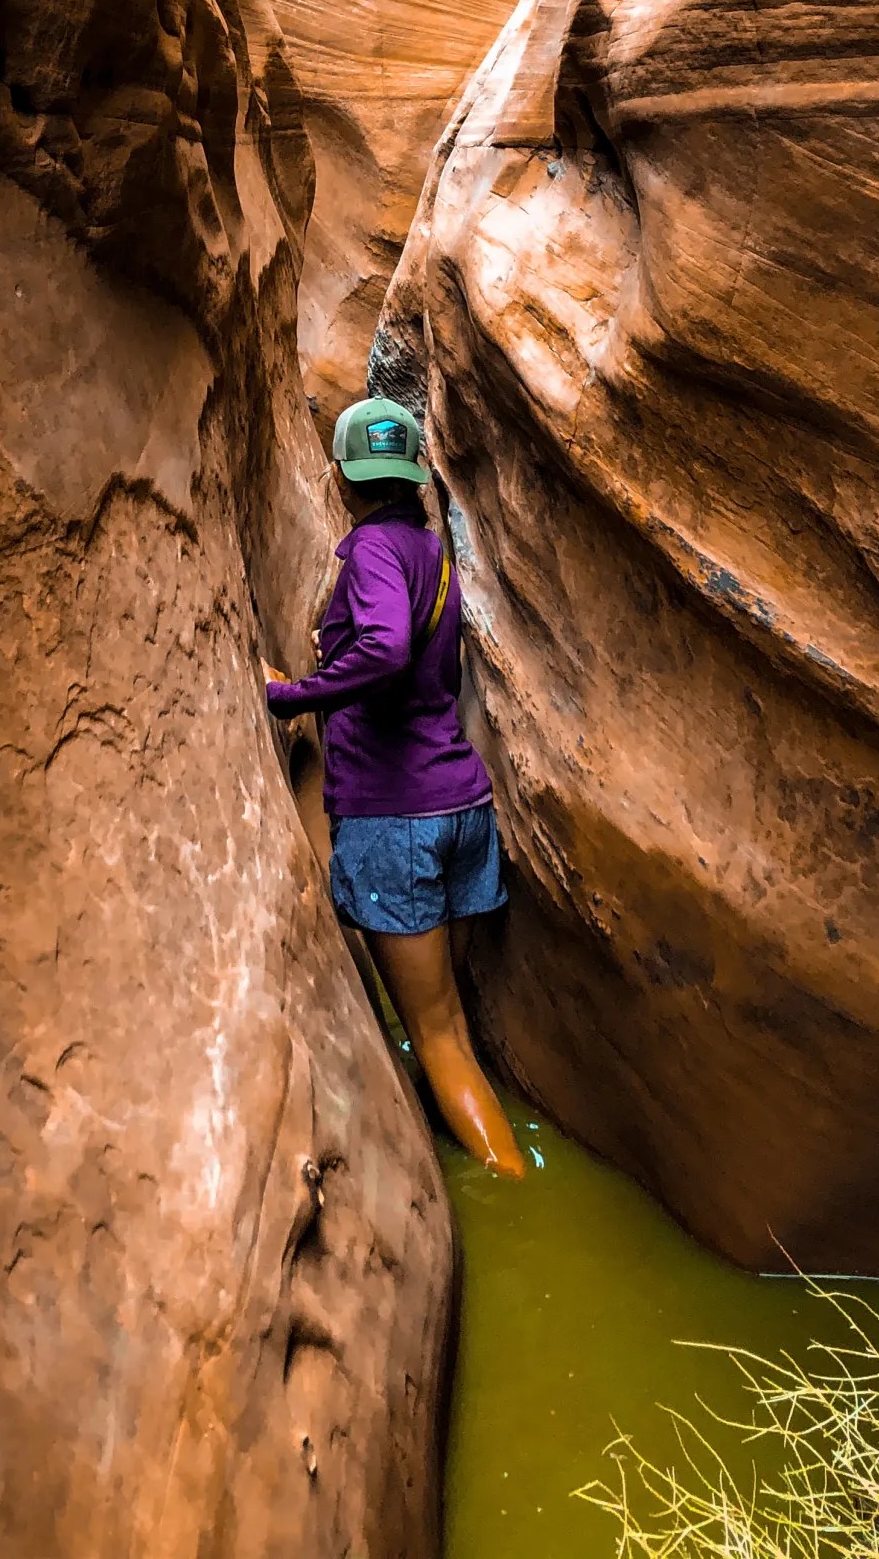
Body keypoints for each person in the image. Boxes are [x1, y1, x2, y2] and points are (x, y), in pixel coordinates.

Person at [264, 397, 526, 1179]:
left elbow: (385, 650)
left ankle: (509, 1182)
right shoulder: (430, 551)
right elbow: (421, 668)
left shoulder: (374, 550)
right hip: (460, 807)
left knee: (437, 1037)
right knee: (450, 1025)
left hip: (397, 821)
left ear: (342, 477)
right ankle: (486, 1143)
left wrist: (291, 695)